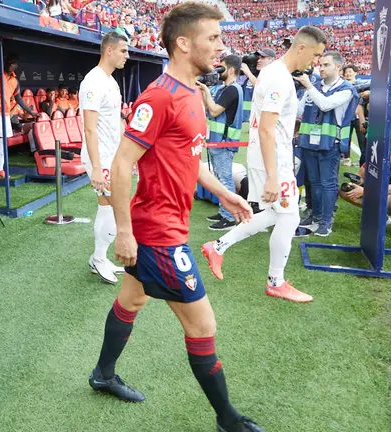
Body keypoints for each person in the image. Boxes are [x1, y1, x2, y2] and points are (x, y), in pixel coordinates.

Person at [88, 4, 262, 431]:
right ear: (183, 44)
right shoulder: (160, 95)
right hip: (156, 232)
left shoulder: (192, 93)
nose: (222, 47)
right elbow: (123, 162)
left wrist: (225, 194)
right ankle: (228, 420)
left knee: (131, 299)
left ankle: (102, 374)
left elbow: (191, 158)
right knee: (203, 324)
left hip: (167, 225)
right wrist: (124, 233)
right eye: (213, 39)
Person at [202, 26, 328, 303]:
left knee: (276, 214)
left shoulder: (274, 74)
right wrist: (273, 175)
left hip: (269, 156)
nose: (316, 61)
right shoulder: (279, 78)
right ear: (302, 48)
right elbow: (267, 129)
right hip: (274, 160)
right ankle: (275, 281)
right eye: (317, 55)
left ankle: (218, 246)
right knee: (289, 217)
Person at [79, 31, 130, 284]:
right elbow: (90, 127)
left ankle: (98, 257)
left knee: (107, 206)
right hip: (99, 158)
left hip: (112, 156)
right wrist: (97, 167)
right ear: (109, 50)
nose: (127, 56)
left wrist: (124, 157)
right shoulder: (93, 81)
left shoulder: (111, 81)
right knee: (117, 207)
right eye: (123, 51)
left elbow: (115, 122)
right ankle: (99, 258)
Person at [295, 51, 359, 237]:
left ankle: (326, 220)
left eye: (326, 65)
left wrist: (308, 86)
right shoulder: (314, 86)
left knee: (328, 183)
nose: (321, 68)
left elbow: (325, 105)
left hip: (330, 144)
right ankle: (315, 216)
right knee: (314, 183)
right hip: (309, 143)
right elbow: (298, 109)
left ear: (338, 67)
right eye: (320, 65)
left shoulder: (346, 89)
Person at [197, 54, 245, 231]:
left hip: (225, 143)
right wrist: (204, 91)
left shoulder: (233, 89)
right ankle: (224, 211)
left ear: (231, 69)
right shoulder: (224, 88)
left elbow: (215, 111)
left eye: (222, 67)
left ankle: (230, 217)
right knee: (219, 178)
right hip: (218, 141)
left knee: (225, 180)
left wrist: (207, 92)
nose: (219, 70)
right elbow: (209, 108)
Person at [0, 53, 39, 184]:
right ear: (5, 62)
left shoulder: (15, 81)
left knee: (2, 142)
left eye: (14, 63)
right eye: (10, 62)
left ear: (17, 66)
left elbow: (19, 99)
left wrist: (31, 112)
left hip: (5, 114)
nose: (12, 65)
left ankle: (0, 169)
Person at [339, 146, 391, 238]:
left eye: (384, 158)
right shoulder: (376, 155)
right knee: (345, 192)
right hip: (384, 186)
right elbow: (360, 175)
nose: (382, 161)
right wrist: (355, 182)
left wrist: (366, 191)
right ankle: (381, 215)